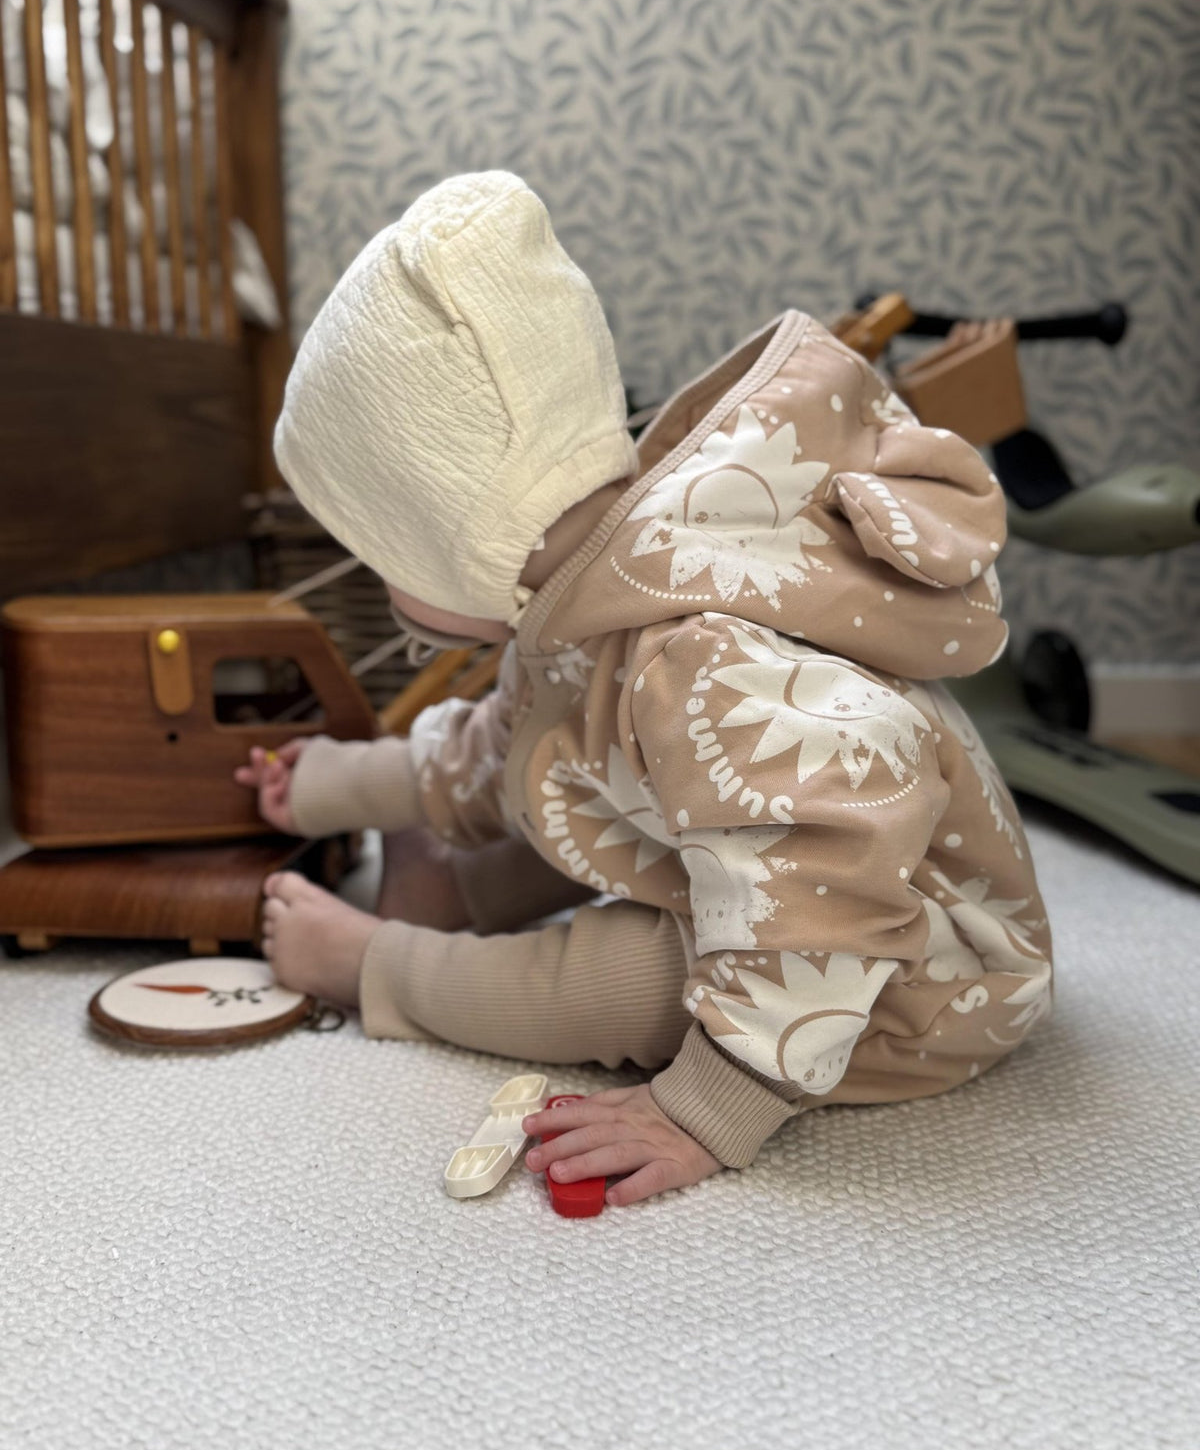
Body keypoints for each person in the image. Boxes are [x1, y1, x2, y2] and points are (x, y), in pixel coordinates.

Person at [236, 170, 1052, 1209]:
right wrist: (328, 786)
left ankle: (382, 967)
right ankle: (464, 889)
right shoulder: (579, 598)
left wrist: (709, 1105)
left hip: (906, 976)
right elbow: (510, 754)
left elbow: (832, 869)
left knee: (629, 971)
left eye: (380, 549)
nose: (376, 577)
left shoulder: (694, 654)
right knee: (577, 784)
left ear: (452, 534)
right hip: (811, 902)